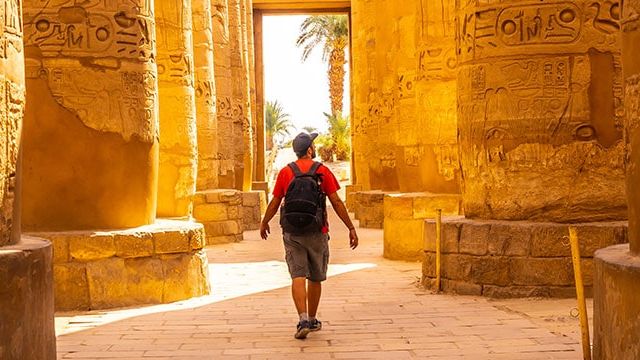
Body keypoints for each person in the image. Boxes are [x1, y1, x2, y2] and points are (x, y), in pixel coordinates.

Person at [260, 132, 359, 340]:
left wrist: (265, 221)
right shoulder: (322, 171)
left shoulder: (286, 173)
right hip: (317, 230)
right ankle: (313, 320)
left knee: (297, 275)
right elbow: (336, 202)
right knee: (315, 276)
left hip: (292, 231)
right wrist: (350, 227)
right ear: (310, 150)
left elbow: (276, 201)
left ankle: (303, 318)